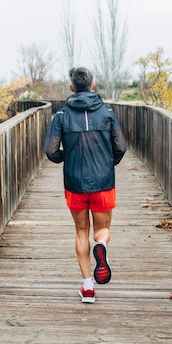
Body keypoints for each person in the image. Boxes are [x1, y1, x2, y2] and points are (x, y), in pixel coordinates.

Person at [44, 66, 127, 304]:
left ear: (71, 88)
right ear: (93, 85)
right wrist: (109, 162)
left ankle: (88, 288)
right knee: (102, 230)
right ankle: (100, 245)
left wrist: (66, 158)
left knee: (81, 232)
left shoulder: (61, 116)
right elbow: (120, 146)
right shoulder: (108, 113)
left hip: (75, 183)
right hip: (103, 182)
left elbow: (50, 150)